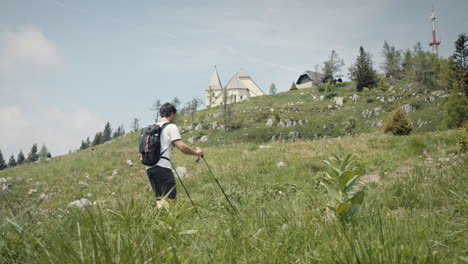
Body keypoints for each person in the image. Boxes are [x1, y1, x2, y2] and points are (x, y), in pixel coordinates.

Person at [146, 103, 203, 208]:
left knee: (160, 200)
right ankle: (171, 224)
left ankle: (160, 222)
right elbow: (181, 146)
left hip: (150, 168)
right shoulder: (171, 127)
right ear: (172, 113)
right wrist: (196, 153)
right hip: (163, 167)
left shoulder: (152, 128)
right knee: (171, 200)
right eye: (174, 115)